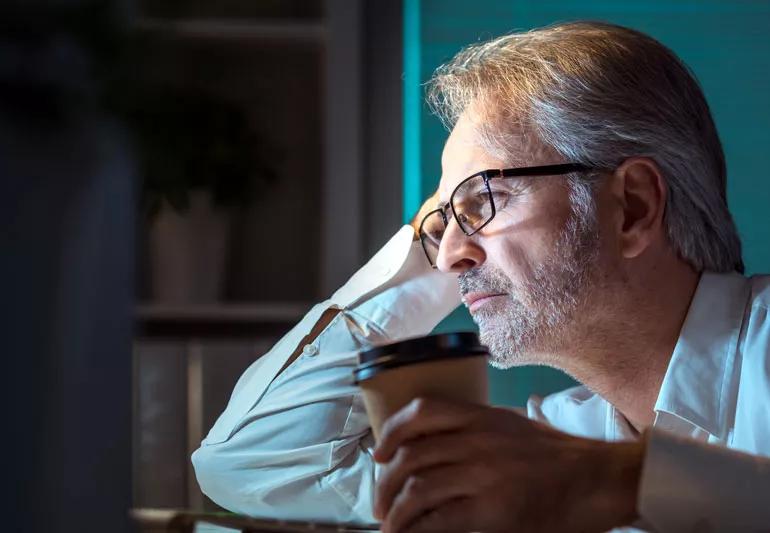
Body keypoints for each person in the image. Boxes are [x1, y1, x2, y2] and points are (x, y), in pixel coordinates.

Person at [192, 21, 770, 532]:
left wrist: (616, 481)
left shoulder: (569, 461)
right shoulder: (562, 442)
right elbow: (248, 464)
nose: (447, 258)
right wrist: (441, 238)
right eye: (442, 224)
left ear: (634, 208)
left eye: (487, 200)